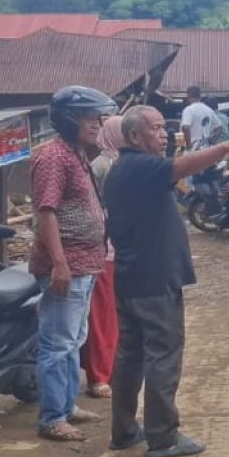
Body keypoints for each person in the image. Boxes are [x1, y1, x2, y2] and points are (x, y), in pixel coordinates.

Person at [103, 106, 229, 457]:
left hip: (133, 277)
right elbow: (180, 167)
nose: (164, 133)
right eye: (155, 128)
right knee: (163, 354)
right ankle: (163, 437)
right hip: (154, 277)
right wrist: (226, 147)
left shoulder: (124, 169)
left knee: (131, 355)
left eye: (164, 127)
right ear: (133, 136)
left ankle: (125, 430)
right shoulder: (141, 166)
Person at [31, 86, 116, 443]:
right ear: (68, 120)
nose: (96, 124)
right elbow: (46, 212)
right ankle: (52, 417)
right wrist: (59, 264)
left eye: (97, 118)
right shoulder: (54, 157)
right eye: (87, 118)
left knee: (74, 339)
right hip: (68, 265)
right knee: (57, 343)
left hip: (86, 263)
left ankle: (66, 405)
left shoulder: (76, 153)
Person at [82, 117, 129, 402]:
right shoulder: (100, 165)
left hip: (125, 248)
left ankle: (112, 368)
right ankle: (98, 375)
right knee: (103, 315)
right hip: (105, 250)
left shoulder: (125, 162)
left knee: (120, 314)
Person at [180, 86, 226, 151]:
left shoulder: (188, 110)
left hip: (193, 148)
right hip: (206, 148)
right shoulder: (209, 110)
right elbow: (219, 127)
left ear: (188, 96)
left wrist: (188, 145)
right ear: (200, 96)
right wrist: (212, 141)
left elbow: (185, 127)